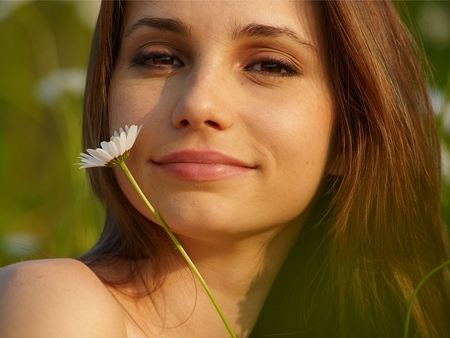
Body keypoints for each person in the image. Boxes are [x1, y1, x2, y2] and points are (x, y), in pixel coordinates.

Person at [1, 0, 449, 337]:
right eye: (160, 58)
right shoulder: (56, 305)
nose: (198, 104)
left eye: (269, 65)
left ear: (351, 133)